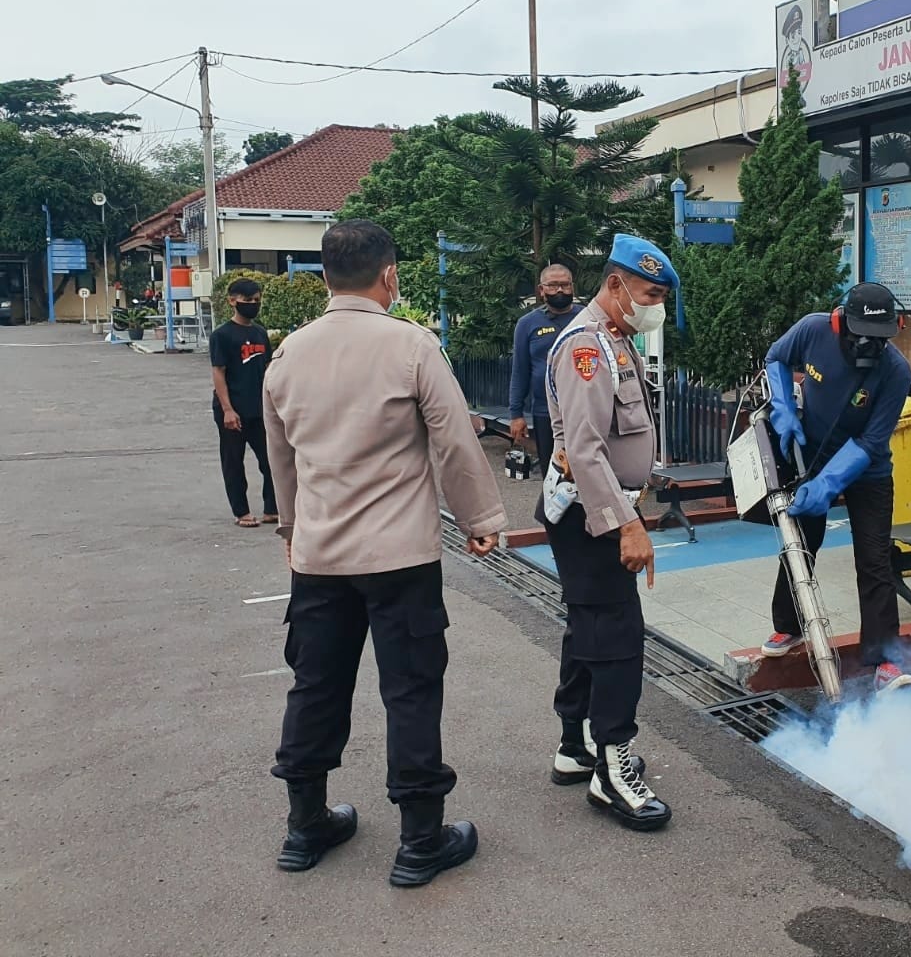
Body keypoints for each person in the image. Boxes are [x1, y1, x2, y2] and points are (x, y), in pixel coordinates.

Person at [262, 220, 507, 887]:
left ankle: (304, 826)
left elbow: (280, 460)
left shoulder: (288, 357)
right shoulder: (412, 347)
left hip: (319, 559)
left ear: (323, 278)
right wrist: (481, 519)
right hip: (399, 559)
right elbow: (455, 443)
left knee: (315, 686)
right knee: (411, 691)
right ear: (389, 275)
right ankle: (421, 841)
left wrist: (292, 532)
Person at [539, 235, 674, 831]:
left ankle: (574, 746)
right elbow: (587, 451)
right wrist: (628, 525)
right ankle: (613, 767)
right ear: (616, 284)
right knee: (617, 636)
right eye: (650, 294)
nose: (656, 308)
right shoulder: (586, 348)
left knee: (588, 628)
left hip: (594, 508)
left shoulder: (615, 339)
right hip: (593, 513)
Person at [760, 282, 911, 694]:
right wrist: (783, 409)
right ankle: (788, 627)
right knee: (800, 541)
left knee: (875, 558)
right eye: (859, 333)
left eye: (877, 338)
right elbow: (776, 357)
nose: (866, 344)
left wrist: (829, 484)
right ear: (840, 320)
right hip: (812, 453)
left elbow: (871, 442)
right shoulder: (813, 330)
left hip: (868, 471)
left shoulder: (896, 371)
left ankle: (884, 660)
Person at [210, 277, 277, 528]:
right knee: (233, 462)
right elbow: (219, 372)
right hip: (233, 409)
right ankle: (242, 512)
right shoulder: (222, 335)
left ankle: (272, 508)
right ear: (232, 301)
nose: (253, 305)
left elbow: (269, 368)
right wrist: (227, 409)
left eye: (256, 300)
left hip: (259, 409)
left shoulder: (260, 332)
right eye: (247, 301)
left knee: (271, 460)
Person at [507, 263, 580, 484]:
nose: (560, 290)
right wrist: (516, 414)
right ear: (541, 290)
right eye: (553, 285)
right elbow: (520, 371)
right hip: (545, 413)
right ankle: (552, 517)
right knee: (555, 475)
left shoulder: (587, 318)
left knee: (586, 472)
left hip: (584, 410)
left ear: (572, 287)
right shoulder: (527, 324)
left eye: (565, 285)